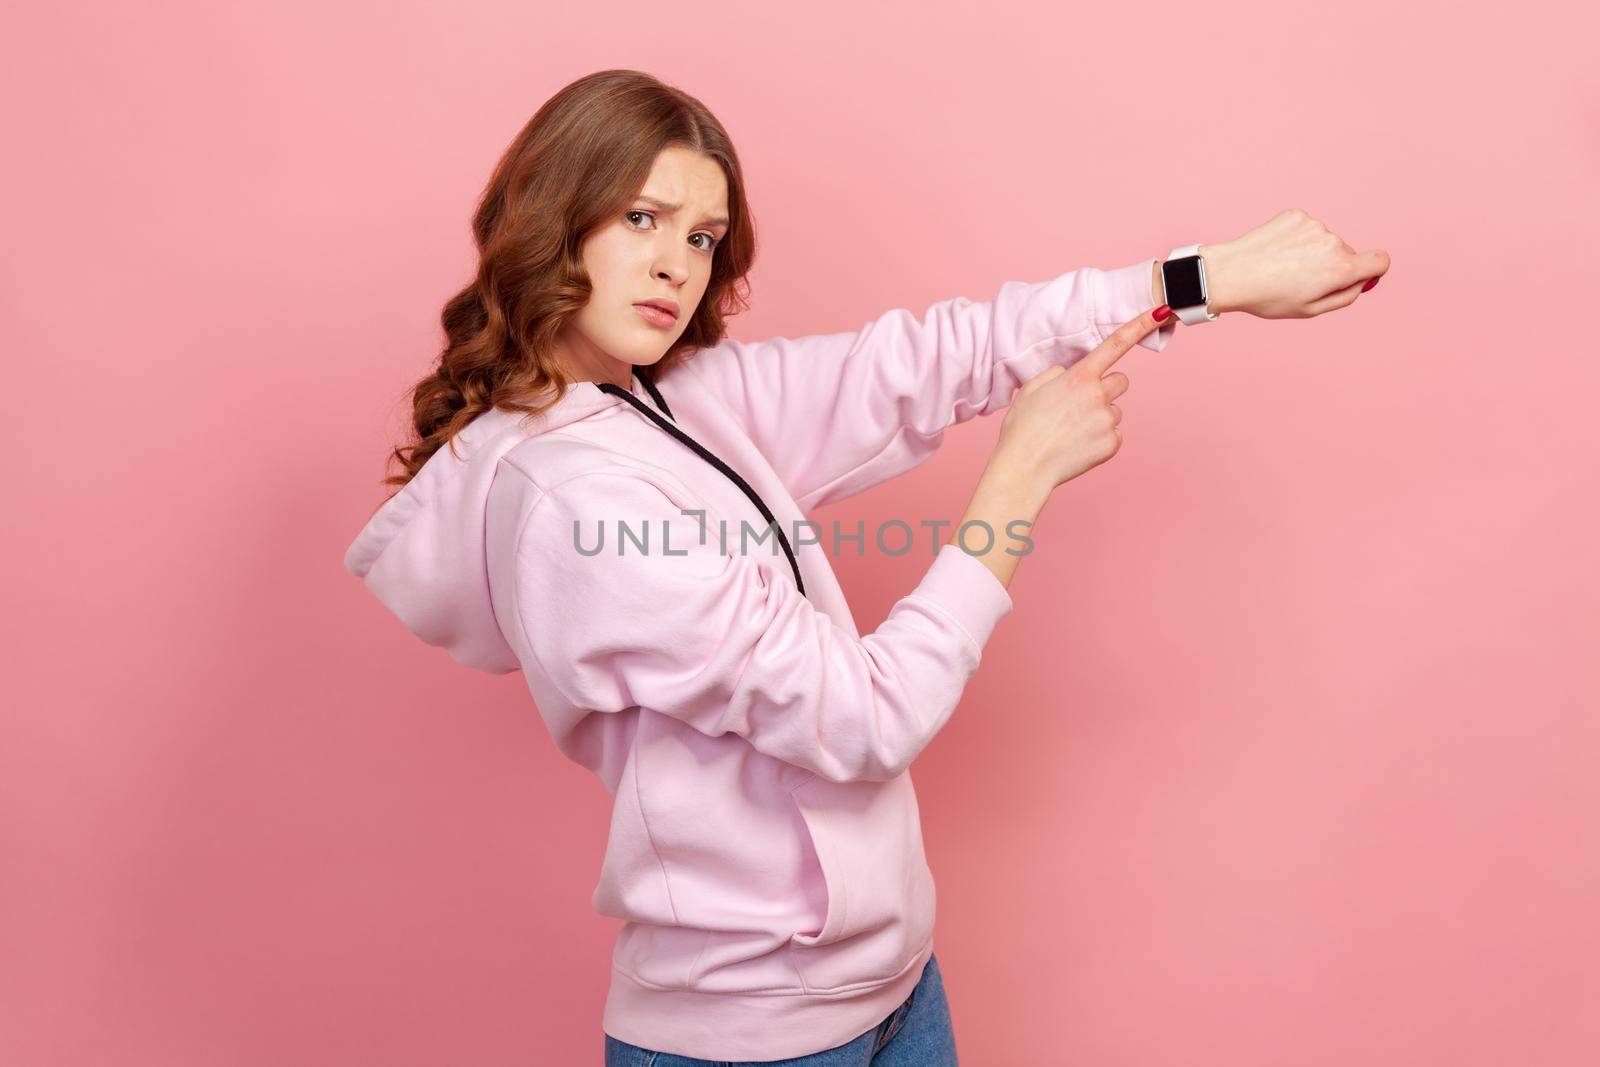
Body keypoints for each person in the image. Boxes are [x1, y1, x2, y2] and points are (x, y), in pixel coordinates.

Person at [343, 69, 1388, 1066]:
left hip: (890, 987)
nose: (677, 263)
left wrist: (1199, 283)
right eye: (640, 218)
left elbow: (937, 357)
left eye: (702, 236)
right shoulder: (576, 503)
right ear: (551, 217)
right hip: (750, 1033)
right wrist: (1016, 483)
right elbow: (860, 718)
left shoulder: (672, 399)